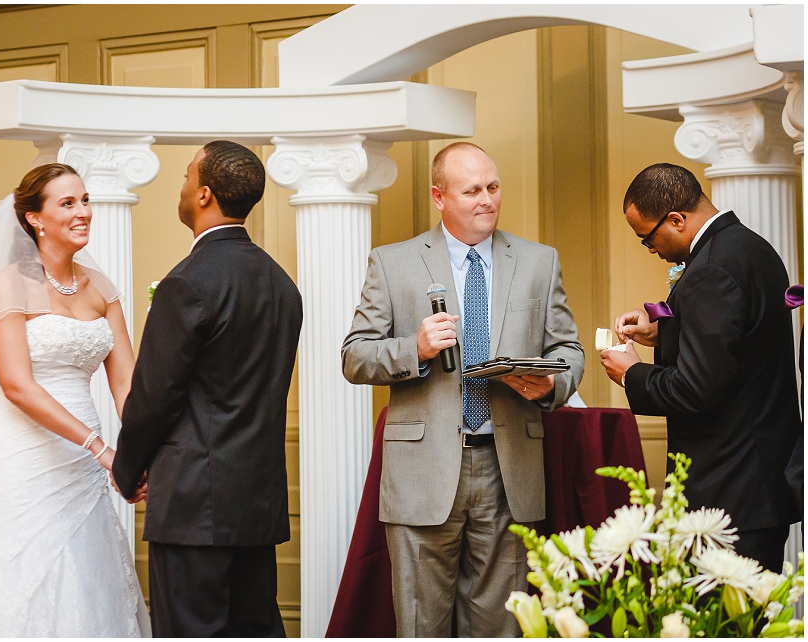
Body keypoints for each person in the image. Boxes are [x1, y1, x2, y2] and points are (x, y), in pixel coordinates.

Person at [341, 142, 585, 637]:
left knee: (501, 627)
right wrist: (416, 348)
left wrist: (548, 385)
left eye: (493, 188)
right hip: (422, 476)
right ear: (439, 197)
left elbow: (570, 351)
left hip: (508, 469)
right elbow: (355, 355)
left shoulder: (539, 262)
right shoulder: (393, 263)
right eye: (472, 190)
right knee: (420, 624)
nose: (487, 200)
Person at [0, 164, 151, 636]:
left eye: (85, 200)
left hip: (85, 462)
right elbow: (18, 386)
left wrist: (138, 451)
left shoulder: (102, 288)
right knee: (13, 578)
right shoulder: (7, 284)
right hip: (22, 456)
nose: (83, 212)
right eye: (67, 203)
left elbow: (127, 383)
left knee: (88, 578)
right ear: (34, 218)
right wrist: (100, 448)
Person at [112, 141, 303, 637]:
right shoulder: (282, 284)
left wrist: (127, 468)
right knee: (254, 630)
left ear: (203, 194)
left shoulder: (187, 282)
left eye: (183, 177)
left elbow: (155, 395)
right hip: (257, 499)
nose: (179, 187)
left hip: (194, 502)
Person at [600, 163, 800, 573]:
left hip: (731, 490)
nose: (650, 249)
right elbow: (737, 344)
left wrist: (630, 374)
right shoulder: (751, 246)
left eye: (647, 238)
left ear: (676, 219)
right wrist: (664, 329)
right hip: (757, 479)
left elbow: (696, 388)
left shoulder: (709, 269)